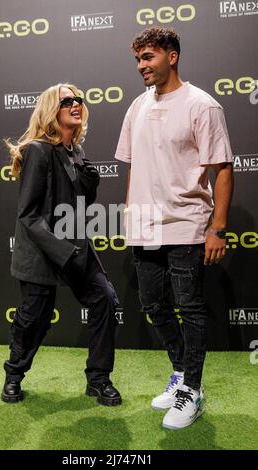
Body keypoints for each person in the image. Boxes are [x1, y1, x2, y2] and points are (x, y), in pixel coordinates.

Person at [115, 27, 233, 429]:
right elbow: (134, 170)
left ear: (172, 56)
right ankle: (182, 373)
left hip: (187, 225)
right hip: (146, 226)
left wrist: (217, 228)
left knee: (191, 309)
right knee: (154, 306)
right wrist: (131, 217)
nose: (141, 66)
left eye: (148, 57)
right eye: (138, 60)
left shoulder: (202, 105)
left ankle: (193, 391)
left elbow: (222, 170)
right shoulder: (136, 106)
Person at [1, 83, 122, 407]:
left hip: (75, 245)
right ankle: (13, 375)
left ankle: (98, 380)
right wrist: (62, 251)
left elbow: (80, 203)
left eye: (78, 99)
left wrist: (88, 178)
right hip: (43, 251)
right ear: (51, 110)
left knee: (104, 300)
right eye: (66, 100)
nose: (75, 104)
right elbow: (28, 215)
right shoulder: (38, 150)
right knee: (34, 320)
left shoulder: (75, 151)